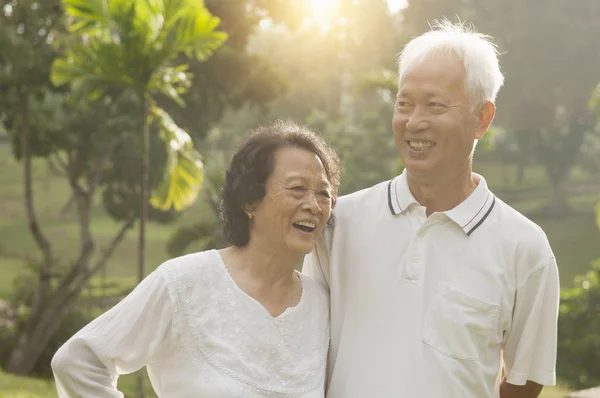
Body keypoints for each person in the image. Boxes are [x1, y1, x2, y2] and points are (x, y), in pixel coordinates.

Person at [303, 20, 560, 398]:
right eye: (404, 104)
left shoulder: (526, 248)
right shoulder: (339, 223)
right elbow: (303, 350)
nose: (414, 121)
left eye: (435, 105)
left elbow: (526, 379)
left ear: (482, 119)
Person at [51, 120, 341, 397]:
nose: (313, 206)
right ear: (250, 201)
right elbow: (77, 362)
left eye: (323, 194)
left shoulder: (323, 305)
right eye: (297, 189)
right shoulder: (184, 282)